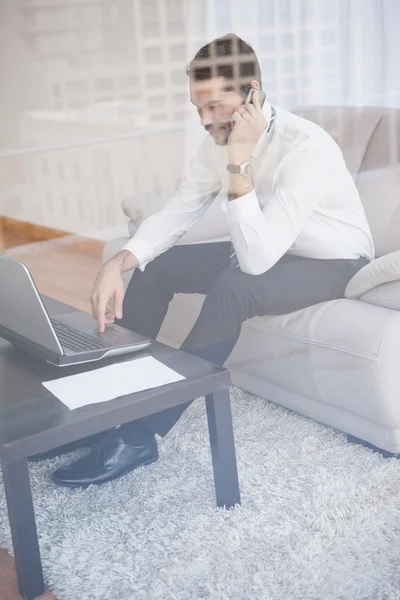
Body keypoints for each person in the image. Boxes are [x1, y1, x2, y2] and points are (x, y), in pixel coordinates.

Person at [49, 33, 375, 487]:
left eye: (214, 106)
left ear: (252, 94)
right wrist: (118, 262)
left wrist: (239, 161)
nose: (205, 121)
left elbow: (255, 264)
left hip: (334, 262)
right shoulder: (215, 140)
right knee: (157, 265)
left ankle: (141, 436)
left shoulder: (307, 149)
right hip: (269, 246)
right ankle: (112, 406)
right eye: (196, 108)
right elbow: (181, 211)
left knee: (233, 287)